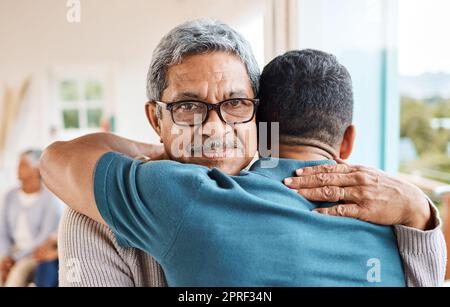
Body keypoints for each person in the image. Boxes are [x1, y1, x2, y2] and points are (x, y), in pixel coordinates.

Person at [41, 20, 445, 286]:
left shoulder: (368, 201)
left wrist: (416, 207)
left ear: (260, 114)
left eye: (235, 103)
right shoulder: (92, 216)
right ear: (155, 118)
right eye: (187, 107)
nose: (214, 129)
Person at [0, 150, 61, 287]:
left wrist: (15, 259)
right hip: (12, 253)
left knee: (16, 275)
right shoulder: (9, 196)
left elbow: (44, 236)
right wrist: (5, 256)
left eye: (23, 165)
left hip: (33, 255)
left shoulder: (49, 199)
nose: (17, 168)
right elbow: (2, 232)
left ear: (36, 169)